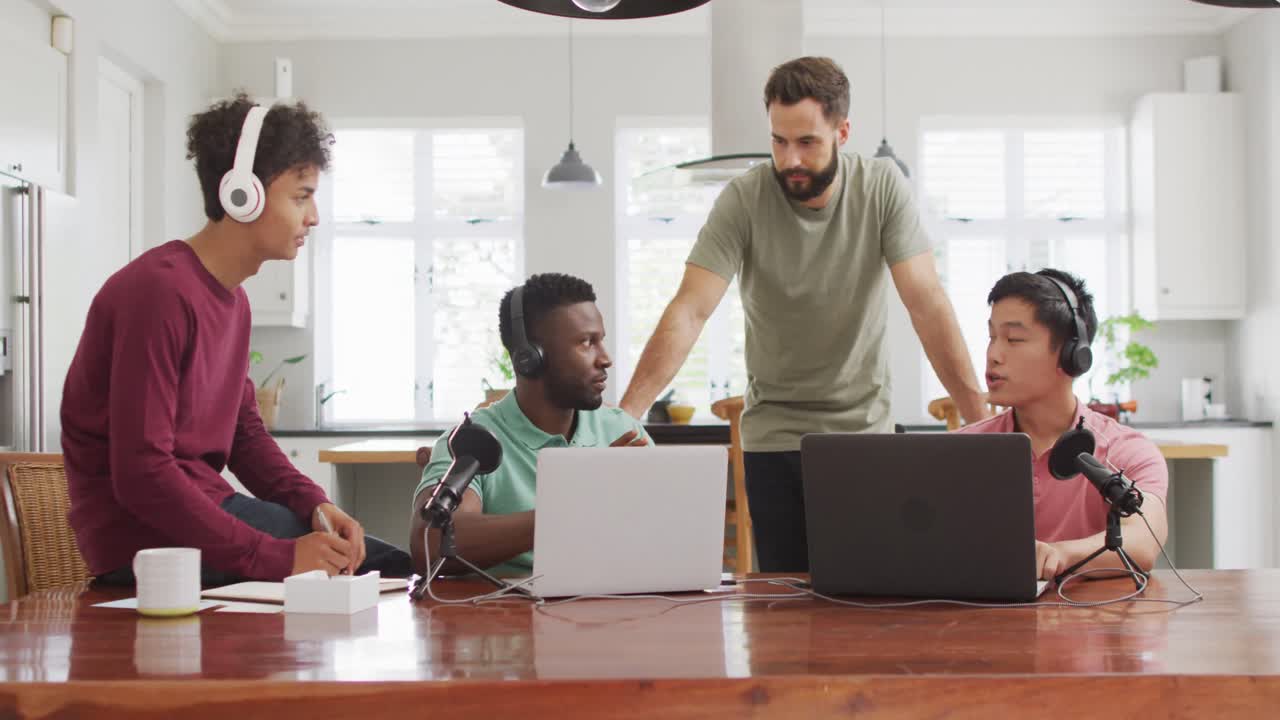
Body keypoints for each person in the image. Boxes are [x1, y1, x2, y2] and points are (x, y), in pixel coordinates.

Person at [620, 56, 986, 571]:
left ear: (842, 131)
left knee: (867, 599)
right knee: (782, 611)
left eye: (807, 142)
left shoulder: (880, 188)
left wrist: (980, 422)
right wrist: (627, 414)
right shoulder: (744, 199)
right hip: (772, 436)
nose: (790, 158)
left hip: (863, 438)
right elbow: (691, 308)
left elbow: (925, 302)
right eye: (778, 141)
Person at [63, 93, 411, 585]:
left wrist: (314, 504)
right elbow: (142, 474)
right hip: (147, 542)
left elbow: (244, 434)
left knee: (374, 563)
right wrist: (275, 557)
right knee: (384, 569)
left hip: (199, 518)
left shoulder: (232, 300)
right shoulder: (158, 291)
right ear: (241, 193)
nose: (313, 217)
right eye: (301, 196)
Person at [410, 273, 650, 577]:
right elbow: (428, 543)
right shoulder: (471, 441)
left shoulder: (622, 432)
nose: (605, 359)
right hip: (506, 617)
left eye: (601, 340)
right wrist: (577, 502)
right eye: (586, 342)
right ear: (529, 357)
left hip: (615, 611)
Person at [956, 269, 1169, 581]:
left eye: (1014, 339)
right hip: (986, 624)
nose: (993, 355)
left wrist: (1060, 555)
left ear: (1072, 355)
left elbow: (1143, 541)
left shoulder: (1127, 451)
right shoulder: (960, 451)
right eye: (992, 337)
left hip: (1094, 624)